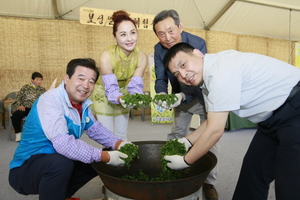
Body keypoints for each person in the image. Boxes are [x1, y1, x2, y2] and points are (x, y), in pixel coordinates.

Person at [163, 42, 300, 200]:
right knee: (253, 171)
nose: (183, 74)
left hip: (295, 108)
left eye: (183, 64)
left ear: (198, 53)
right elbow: (213, 118)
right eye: (177, 74)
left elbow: (215, 130)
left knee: (290, 184)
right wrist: (187, 141)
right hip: (271, 120)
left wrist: (186, 160)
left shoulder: (219, 71)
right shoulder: (207, 79)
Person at [8, 58, 133, 200]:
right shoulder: (51, 100)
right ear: (67, 78)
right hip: (25, 170)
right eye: (81, 79)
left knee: (98, 160)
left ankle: (59, 195)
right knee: (63, 163)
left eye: (91, 82)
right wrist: (107, 157)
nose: (86, 85)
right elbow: (64, 145)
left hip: (54, 161)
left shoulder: (82, 104)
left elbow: (96, 129)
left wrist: (119, 144)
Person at [152, 9, 219, 200]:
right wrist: (163, 95)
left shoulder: (198, 44)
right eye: (161, 33)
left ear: (180, 26)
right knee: (176, 134)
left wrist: (181, 96)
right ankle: (171, 169)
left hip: (203, 97)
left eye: (171, 30)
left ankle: (209, 183)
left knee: (210, 138)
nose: (167, 37)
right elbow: (160, 77)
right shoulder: (158, 49)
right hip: (180, 99)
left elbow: (196, 79)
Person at [91, 10, 147, 141]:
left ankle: (122, 160)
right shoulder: (106, 56)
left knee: (121, 134)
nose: (129, 38)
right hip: (104, 94)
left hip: (123, 92)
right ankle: (110, 160)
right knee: (108, 136)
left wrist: (135, 97)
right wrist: (121, 98)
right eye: (123, 34)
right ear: (114, 37)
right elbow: (110, 89)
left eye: (133, 32)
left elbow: (135, 84)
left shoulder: (142, 56)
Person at [11, 72, 46, 142]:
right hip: (26, 107)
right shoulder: (25, 87)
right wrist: (20, 105)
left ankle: (43, 134)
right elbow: (18, 97)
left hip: (37, 109)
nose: (39, 81)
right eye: (37, 79)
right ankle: (18, 134)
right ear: (32, 80)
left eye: (40, 80)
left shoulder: (42, 89)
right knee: (16, 115)